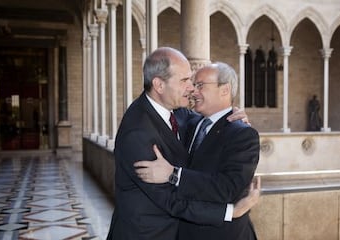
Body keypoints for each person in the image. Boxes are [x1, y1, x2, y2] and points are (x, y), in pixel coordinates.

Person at [107, 47, 259, 240]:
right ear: (159, 85)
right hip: (147, 234)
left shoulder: (179, 116)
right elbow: (170, 199)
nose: (191, 89)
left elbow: (228, 182)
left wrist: (231, 112)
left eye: (197, 83)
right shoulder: (138, 132)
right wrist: (231, 212)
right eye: (185, 81)